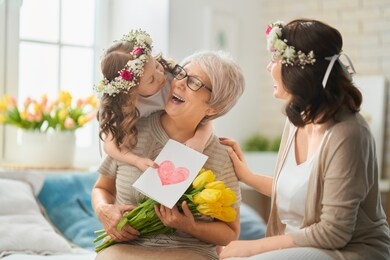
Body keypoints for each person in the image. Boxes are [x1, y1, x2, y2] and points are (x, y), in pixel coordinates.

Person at [219, 18, 390, 260]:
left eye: (275, 60)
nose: (269, 68)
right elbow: (302, 194)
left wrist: (254, 246)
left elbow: (333, 233)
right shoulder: (297, 118)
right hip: (306, 247)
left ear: (298, 71)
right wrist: (247, 176)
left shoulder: (348, 133)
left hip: (348, 251)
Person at [92, 49, 245, 260]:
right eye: (181, 74)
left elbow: (230, 232)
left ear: (214, 107)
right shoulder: (130, 132)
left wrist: (189, 226)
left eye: (194, 83)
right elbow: (102, 187)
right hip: (128, 247)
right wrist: (103, 210)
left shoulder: (219, 155)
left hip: (188, 251)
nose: (179, 83)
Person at [96, 29, 212, 172]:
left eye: (157, 65)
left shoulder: (171, 79)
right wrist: (136, 160)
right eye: (151, 80)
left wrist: (200, 139)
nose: (160, 76)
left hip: (164, 143)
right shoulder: (120, 104)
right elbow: (110, 145)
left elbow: (204, 113)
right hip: (134, 148)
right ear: (132, 90)